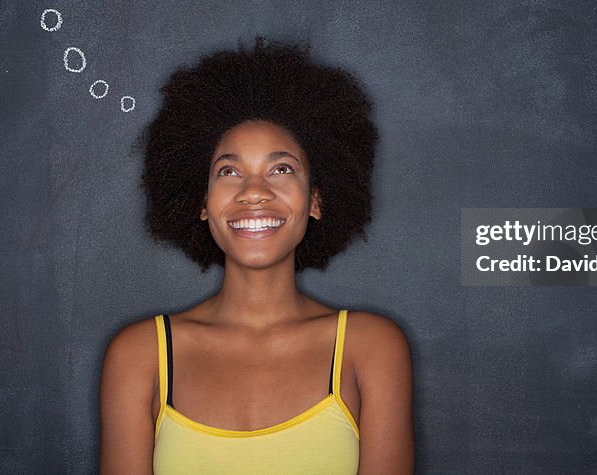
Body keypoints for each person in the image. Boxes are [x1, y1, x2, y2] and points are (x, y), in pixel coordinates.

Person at [99, 39, 414, 474]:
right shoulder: (139, 355)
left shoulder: (371, 347)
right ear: (203, 202)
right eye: (229, 171)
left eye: (281, 169)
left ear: (316, 201)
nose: (254, 192)